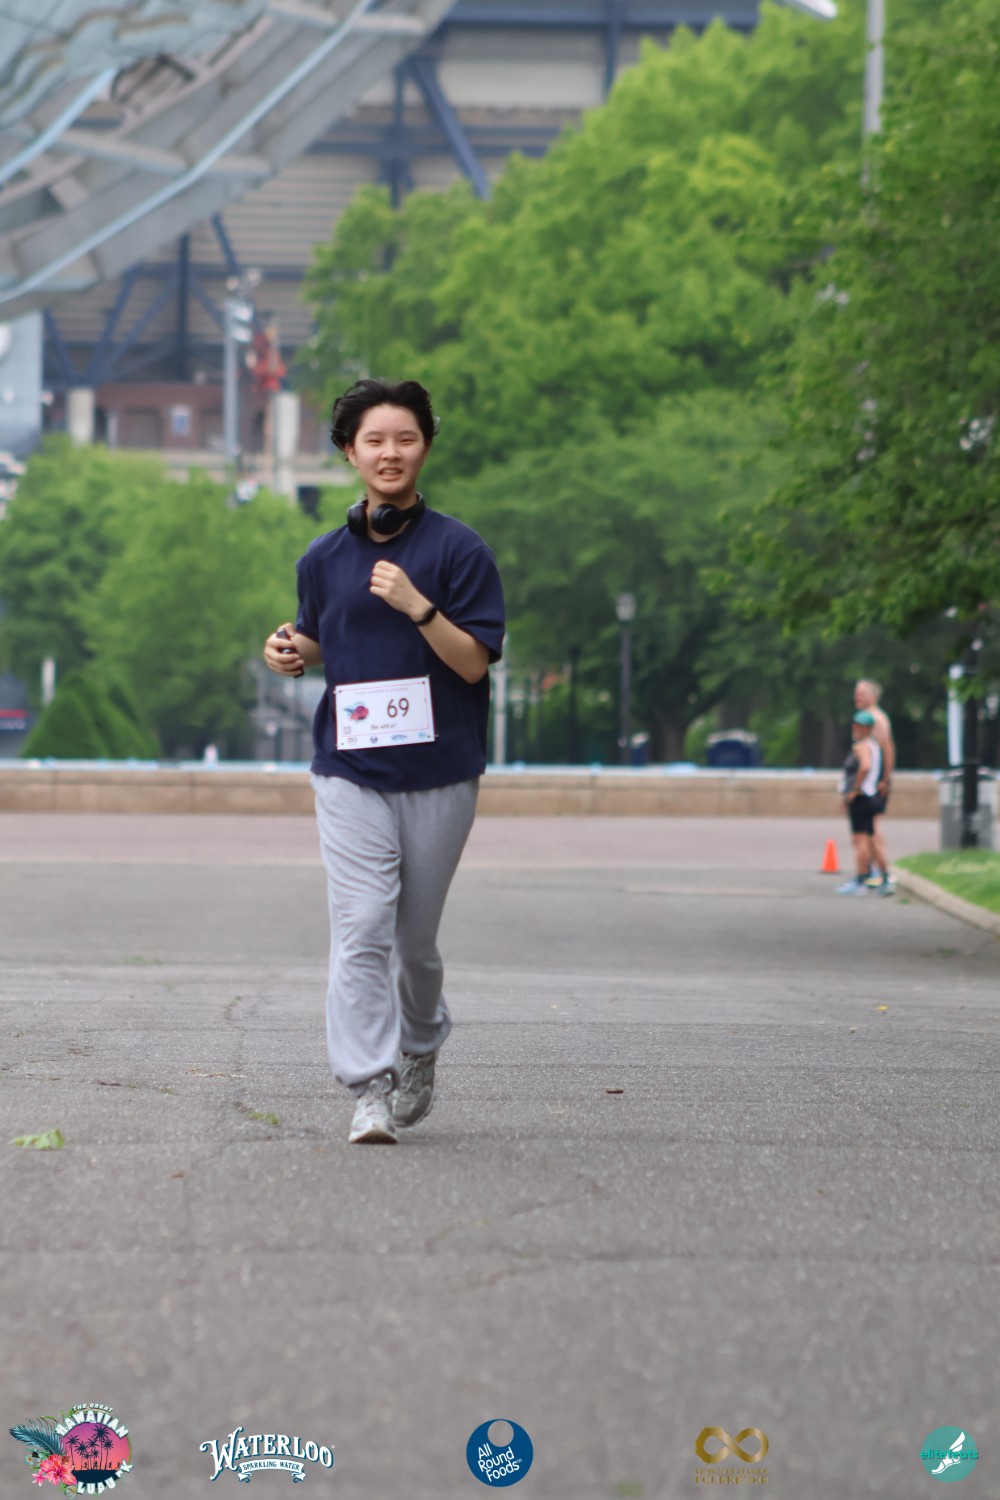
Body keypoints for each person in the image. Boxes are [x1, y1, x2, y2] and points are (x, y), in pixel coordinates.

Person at [263, 379, 505, 1144]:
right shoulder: (322, 557)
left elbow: (472, 663)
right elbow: (321, 637)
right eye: (374, 440)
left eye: (405, 438)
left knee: (414, 946)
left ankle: (422, 1040)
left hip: (440, 771)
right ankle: (368, 1085)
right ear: (349, 453)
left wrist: (417, 605)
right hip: (350, 768)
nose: (390, 453)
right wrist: (289, 650)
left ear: (425, 447)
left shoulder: (459, 551)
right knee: (362, 925)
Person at [836, 710, 893, 895]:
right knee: (873, 841)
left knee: (860, 841)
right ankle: (885, 877)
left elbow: (865, 766)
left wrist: (854, 790)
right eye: (855, 724)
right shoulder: (874, 745)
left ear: (867, 728)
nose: (855, 728)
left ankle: (861, 880)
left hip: (861, 798)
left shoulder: (862, 746)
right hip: (871, 796)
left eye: (859, 726)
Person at [853, 678, 896, 891]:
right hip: (873, 781)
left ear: (873, 696)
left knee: (872, 829)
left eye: (861, 693)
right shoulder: (866, 718)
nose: (857, 697)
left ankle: (880, 872)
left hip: (874, 782)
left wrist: (884, 779)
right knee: (868, 829)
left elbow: (887, 748)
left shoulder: (877, 719)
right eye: (856, 693)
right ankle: (871, 871)